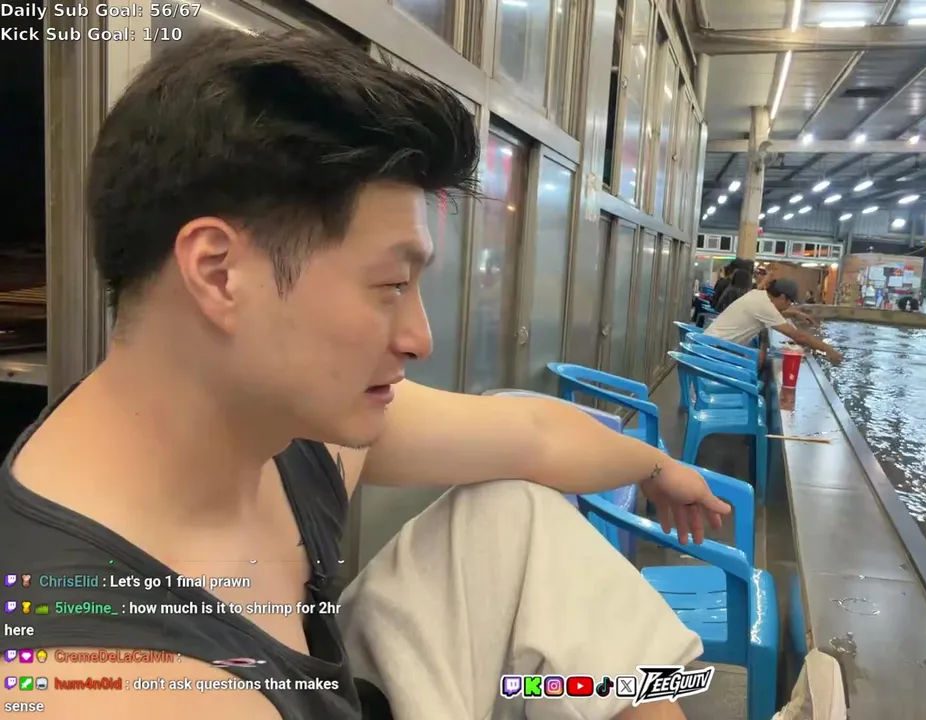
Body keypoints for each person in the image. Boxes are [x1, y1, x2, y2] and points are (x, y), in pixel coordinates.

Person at [0, 30, 848, 720]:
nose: (419, 336)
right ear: (221, 274)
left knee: (513, 517)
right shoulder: (105, 678)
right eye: (388, 286)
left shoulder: (282, 433)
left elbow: (529, 434)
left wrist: (659, 467)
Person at [705, 278, 843, 364]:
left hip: (708, 344)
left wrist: (794, 313)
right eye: (790, 302)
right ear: (782, 297)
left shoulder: (758, 295)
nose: (789, 305)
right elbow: (798, 337)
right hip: (713, 353)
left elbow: (767, 315)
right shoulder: (764, 306)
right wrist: (827, 349)